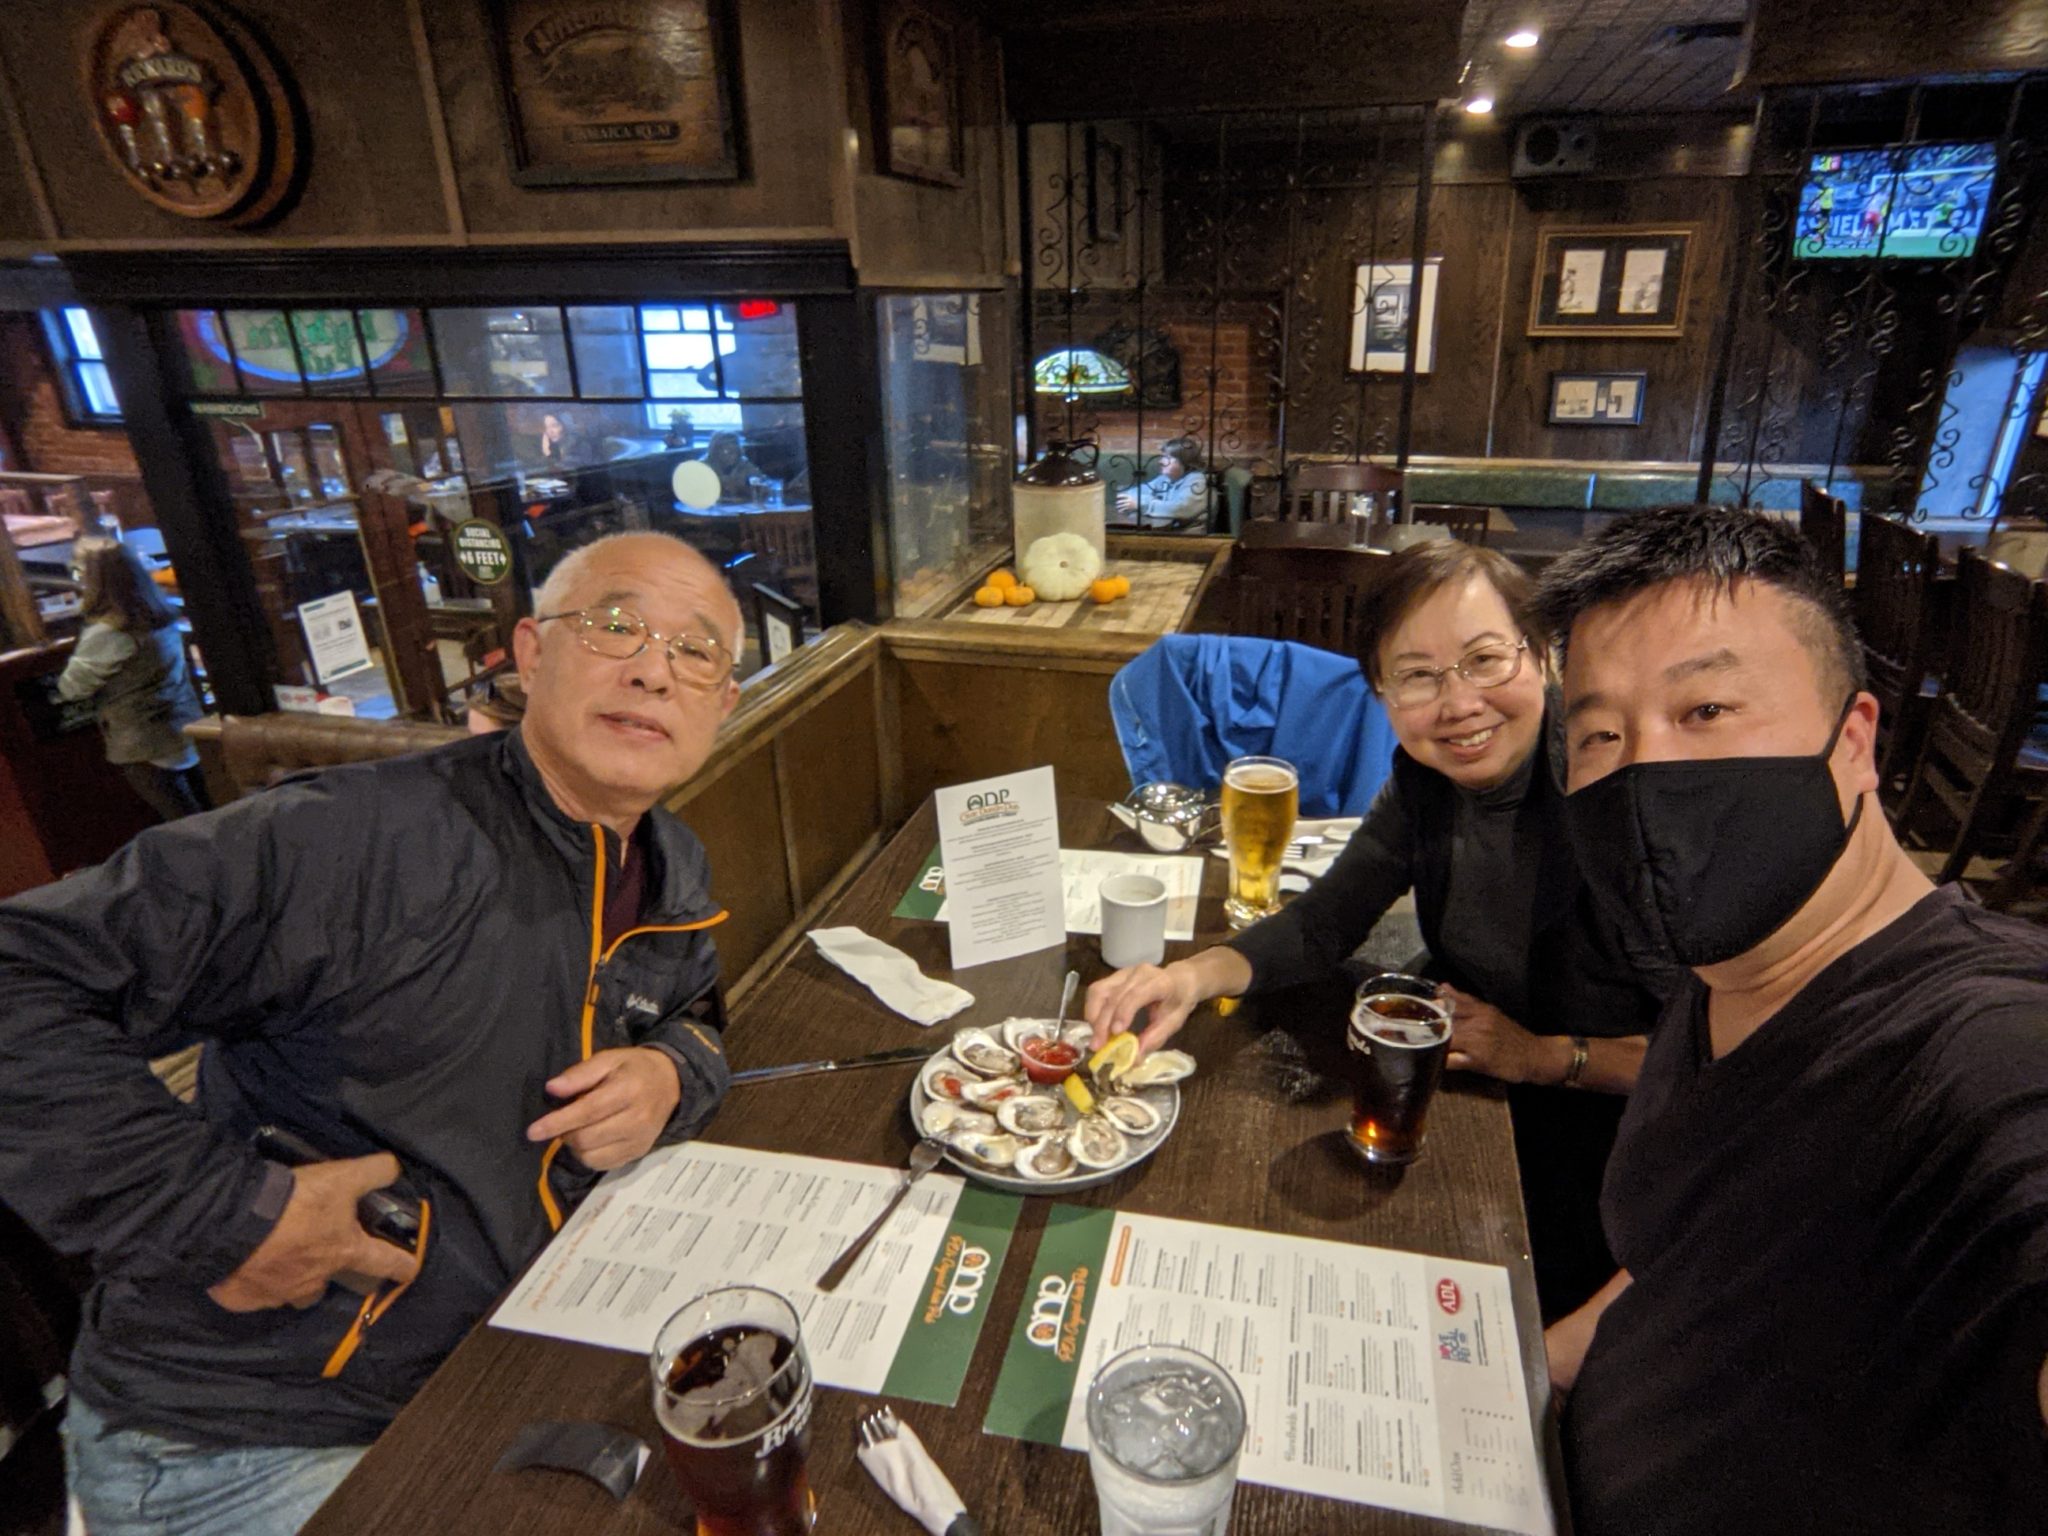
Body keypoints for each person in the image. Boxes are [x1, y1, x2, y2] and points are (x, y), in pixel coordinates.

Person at [0, 531, 747, 1536]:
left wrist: (672, 1071)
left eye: (694, 652)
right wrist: (213, 1212)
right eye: (616, 626)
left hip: (490, 1363)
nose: (653, 669)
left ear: (722, 703)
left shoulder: (668, 860)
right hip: (245, 1438)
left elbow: (695, 1015)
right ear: (531, 653)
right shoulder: (350, 840)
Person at [1537, 507, 2048, 1535]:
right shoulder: (1727, 967)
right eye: (1599, 735)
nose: (1643, 772)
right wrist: (1529, 1370)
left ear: (1853, 741)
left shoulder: (1977, 1046)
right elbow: (1682, 1261)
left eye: (1706, 708)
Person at [1087, 541, 1672, 1319]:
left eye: (1485, 660)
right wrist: (1186, 978)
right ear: (1382, 694)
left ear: (1542, 655)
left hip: (1601, 1153)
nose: (1458, 703)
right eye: (1418, 675)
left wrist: (1541, 1055)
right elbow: (1325, 922)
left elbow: (1715, 1056)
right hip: (1462, 1087)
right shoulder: (1426, 778)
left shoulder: (1618, 801)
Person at [57, 536, 210, 821]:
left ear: (92, 580)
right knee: (207, 815)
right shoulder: (160, 613)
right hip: (183, 728)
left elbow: (71, 688)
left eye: (77, 571)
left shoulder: (108, 633)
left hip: (143, 743)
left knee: (188, 826)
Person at [1115, 436, 1210, 528]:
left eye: (1167, 457)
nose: (1161, 461)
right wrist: (1150, 501)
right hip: (1169, 530)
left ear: (1184, 461)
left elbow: (1181, 509)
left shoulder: (1197, 480)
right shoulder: (1166, 479)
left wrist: (1141, 504)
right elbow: (1131, 493)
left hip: (1189, 535)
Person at [699, 429, 764, 502]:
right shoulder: (703, 466)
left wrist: (742, 488)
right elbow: (698, 493)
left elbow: (763, 483)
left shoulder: (743, 463)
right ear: (715, 450)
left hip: (740, 506)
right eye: (727, 451)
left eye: (735, 450)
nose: (732, 455)